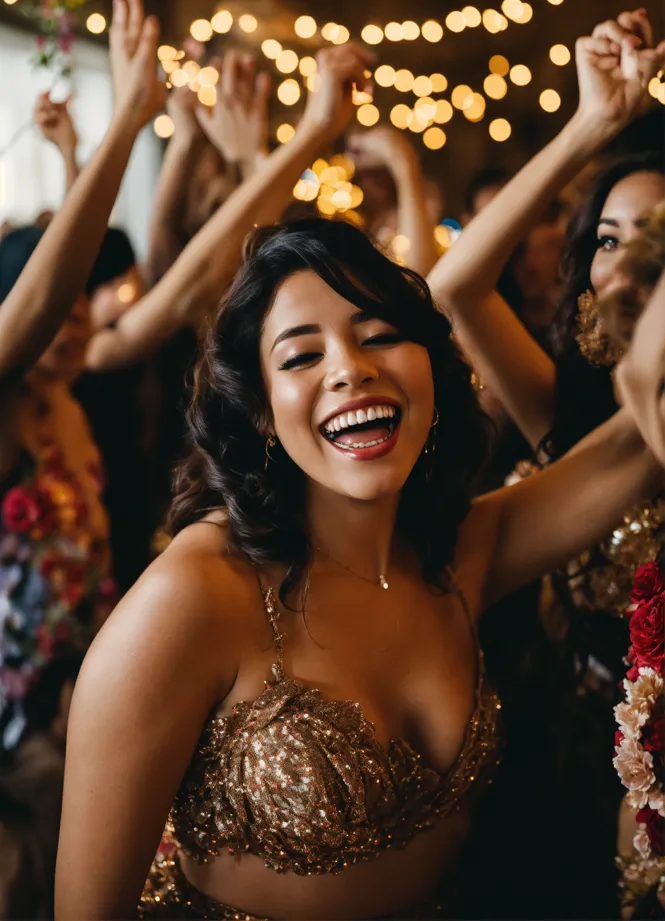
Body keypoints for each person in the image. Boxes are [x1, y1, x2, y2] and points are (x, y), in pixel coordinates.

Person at [54, 196, 662, 919]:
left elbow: (634, 441)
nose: (349, 369)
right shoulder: (191, 596)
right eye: (302, 354)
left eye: (378, 335)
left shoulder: (459, 552)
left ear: (432, 374)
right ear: (259, 409)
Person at [427, 9, 665, 916]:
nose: (623, 266)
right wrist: (590, 127)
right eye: (606, 239)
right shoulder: (571, 411)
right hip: (568, 746)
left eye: (652, 240)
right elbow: (454, 287)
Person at [345, 126, 439, 277]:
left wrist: (403, 163)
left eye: (383, 172)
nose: (375, 182)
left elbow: (418, 274)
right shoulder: (347, 220)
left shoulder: (408, 218)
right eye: (366, 174)